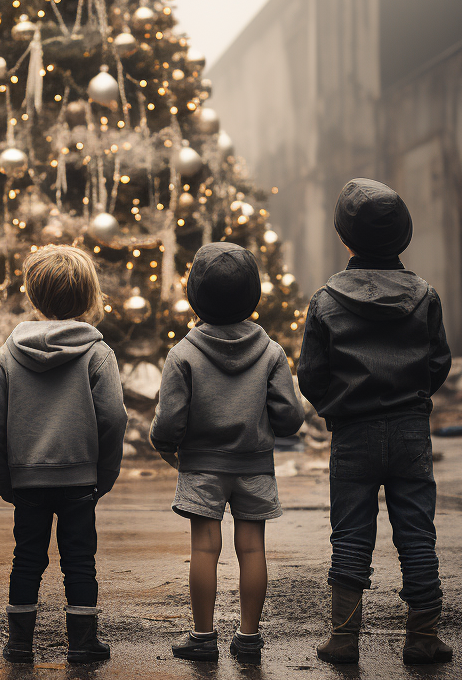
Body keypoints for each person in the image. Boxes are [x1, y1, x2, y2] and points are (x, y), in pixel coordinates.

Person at [297, 178, 453, 666]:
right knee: (416, 534)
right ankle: (423, 638)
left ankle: (344, 641)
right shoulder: (424, 295)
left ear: (345, 240)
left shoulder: (325, 300)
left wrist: (338, 405)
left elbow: (311, 375)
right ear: (404, 237)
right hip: (410, 430)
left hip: (354, 434)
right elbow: (438, 362)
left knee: (349, 536)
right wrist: (412, 395)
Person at [149, 242, 305, 664]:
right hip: (254, 465)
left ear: (193, 296)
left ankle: (203, 638)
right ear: (253, 295)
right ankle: (249, 638)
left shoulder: (183, 353)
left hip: (201, 466)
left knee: (204, 548)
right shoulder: (271, 352)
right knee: (252, 549)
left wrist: (164, 445)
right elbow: (291, 417)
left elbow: (169, 420)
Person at [0, 244, 127, 664]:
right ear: (89, 297)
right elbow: (114, 419)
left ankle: (19, 644)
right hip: (80, 478)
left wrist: (3, 478)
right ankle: (82, 643)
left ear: (32, 295)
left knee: (26, 559)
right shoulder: (98, 354)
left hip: (26, 478)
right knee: (80, 560)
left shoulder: (9, 354)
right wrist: (106, 472)